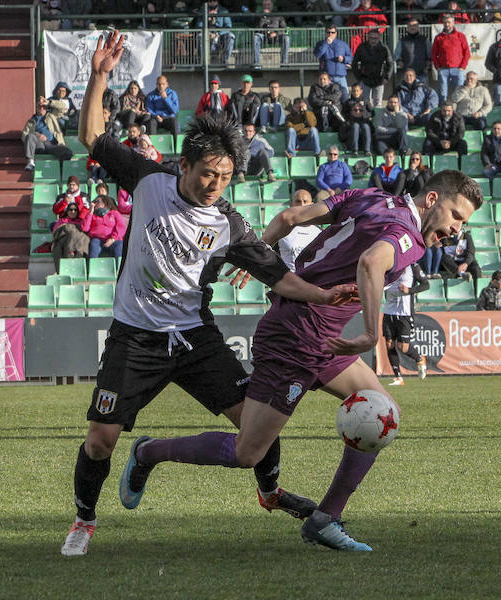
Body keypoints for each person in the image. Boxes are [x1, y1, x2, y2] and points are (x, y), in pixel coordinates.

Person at [61, 31, 362, 558]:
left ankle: (269, 492)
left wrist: (323, 295)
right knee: (99, 440)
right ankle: (84, 521)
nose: (214, 184)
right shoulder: (149, 180)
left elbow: (280, 278)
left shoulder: (229, 224)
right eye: (207, 174)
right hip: (136, 338)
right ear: (184, 166)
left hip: (196, 338)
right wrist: (100, 75)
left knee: (258, 422)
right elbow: (91, 135)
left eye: (224, 176)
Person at [120, 166, 483, 552]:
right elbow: (371, 263)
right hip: (295, 337)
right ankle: (148, 452)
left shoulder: (374, 198)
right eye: (456, 216)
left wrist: (259, 257)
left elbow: (290, 218)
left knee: (383, 411)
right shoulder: (407, 235)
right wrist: (372, 333)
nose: (457, 229)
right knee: (248, 452)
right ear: (431, 200)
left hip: (320, 338)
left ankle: (325, 520)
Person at [382, 264, 429, 386]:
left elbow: (426, 284)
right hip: (388, 311)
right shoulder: (388, 266)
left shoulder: (413, 266)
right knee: (389, 344)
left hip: (405, 313)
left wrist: (409, 290)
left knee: (403, 348)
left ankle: (419, 358)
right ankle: (398, 377)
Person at [22, 97, 73, 171]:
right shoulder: (31, 121)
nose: (41, 108)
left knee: (67, 152)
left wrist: (49, 102)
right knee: (30, 136)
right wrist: (37, 135)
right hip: (40, 145)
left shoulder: (52, 116)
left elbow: (64, 108)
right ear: (36, 107)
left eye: (43, 106)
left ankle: (61, 169)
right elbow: (24, 136)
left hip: (53, 145)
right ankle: (30, 162)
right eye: (39, 106)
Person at [276, 189, 322, 271]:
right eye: (298, 201)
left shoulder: (320, 232)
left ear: (312, 205)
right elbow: (267, 256)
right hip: (287, 281)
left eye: (305, 201)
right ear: (291, 205)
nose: (301, 204)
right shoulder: (280, 230)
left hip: (311, 281)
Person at [430, 14, 470, 101]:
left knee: (459, 95)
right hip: (443, 70)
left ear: (453, 23)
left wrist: (462, 66)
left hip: (457, 69)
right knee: (443, 94)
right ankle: (443, 112)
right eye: (445, 22)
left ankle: (458, 113)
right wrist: (438, 67)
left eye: (449, 22)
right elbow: (433, 54)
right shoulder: (438, 37)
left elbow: (467, 52)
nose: (447, 24)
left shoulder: (460, 36)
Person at [352, 29, 392, 109]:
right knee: (366, 103)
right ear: (368, 38)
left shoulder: (384, 48)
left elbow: (390, 63)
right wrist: (359, 77)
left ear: (379, 38)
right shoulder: (362, 47)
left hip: (379, 79)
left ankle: (377, 121)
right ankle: (367, 120)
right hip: (365, 78)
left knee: (378, 104)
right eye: (371, 38)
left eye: (375, 38)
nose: (373, 40)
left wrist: (386, 78)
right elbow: (354, 63)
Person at [314, 25, 353, 102]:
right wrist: (326, 43)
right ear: (325, 33)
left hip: (341, 77)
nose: (330, 34)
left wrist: (344, 59)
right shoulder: (320, 44)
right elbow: (318, 54)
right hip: (327, 78)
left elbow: (351, 57)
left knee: (345, 98)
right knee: (327, 99)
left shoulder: (342, 44)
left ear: (336, 33)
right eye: (328, 32)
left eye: (332, 32)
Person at [82, 194, 126, 260]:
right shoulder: (92, 215)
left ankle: (120, 267)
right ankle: (92, 266)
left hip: (113, 239)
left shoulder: (114, 213)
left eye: (98, 201)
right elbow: (85, 228)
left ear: (105, 203)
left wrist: (113, 238)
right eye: (94, 201)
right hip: (97, 239)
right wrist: (90, 212)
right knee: (94, 244)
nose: (95, 203)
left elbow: (121, 227)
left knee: (120, 245)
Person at [52, 202, 90, 272]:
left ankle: (77, 253)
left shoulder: (81, 221)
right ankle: (71, 253)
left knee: (84, 237)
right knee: (70, 232)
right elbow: (57, 232)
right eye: (70, 209)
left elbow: (85, 230)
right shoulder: (62, 221)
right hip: (64, 239)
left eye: (75, 210)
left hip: (78, 241)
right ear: (67, 211)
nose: (73, 211)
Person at [253, 0, 290, 69]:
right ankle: (257, 64)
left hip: (276, 36)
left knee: (286, 37)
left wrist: (276, 33)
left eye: (268, 4)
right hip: (264, 36)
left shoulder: (278, 15)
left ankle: (284, 63)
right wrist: (263, 17)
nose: (266, 6)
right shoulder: (259, 15)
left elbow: (284, 28)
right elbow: (257, 28)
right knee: (256, 37)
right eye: (265, 5)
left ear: (272, 6)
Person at [197, 0, 235, 66]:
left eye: (214, 1)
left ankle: (225, 60)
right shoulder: (203, 10)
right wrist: (208, 33)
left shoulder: (223, 10)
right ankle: (203, 61)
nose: (212, 3)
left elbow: (228, 26)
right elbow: (200, 25)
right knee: (200, 36)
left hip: (220, 35)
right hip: (207, 33)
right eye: (210, 1)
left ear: (217, 1)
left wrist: (219, 34)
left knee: (231, 36)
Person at [395, 18, 432, 83]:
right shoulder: (402, 41)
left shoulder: (425, 40)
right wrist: (401, 64)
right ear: (407, 27)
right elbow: (396, 56)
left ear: (418, 27)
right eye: (410, 26)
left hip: (422, 74)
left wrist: (426, 67)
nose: (412, 27)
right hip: (407, 76)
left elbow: (430, 55)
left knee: (423, 93)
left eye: (414, 25)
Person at [341, 83, 372, 155]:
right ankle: (355, 149)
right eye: (354, 91)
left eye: (357, 91)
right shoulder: (348, 102)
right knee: (355, 126)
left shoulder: (366, 101)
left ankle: (367, 150)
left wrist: (365, 115)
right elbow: (344, 115)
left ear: (361, 91)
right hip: (352, 127)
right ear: (351, 92)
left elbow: (371, 112)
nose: (355, 93)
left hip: (363, 123)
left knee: (366, 126)